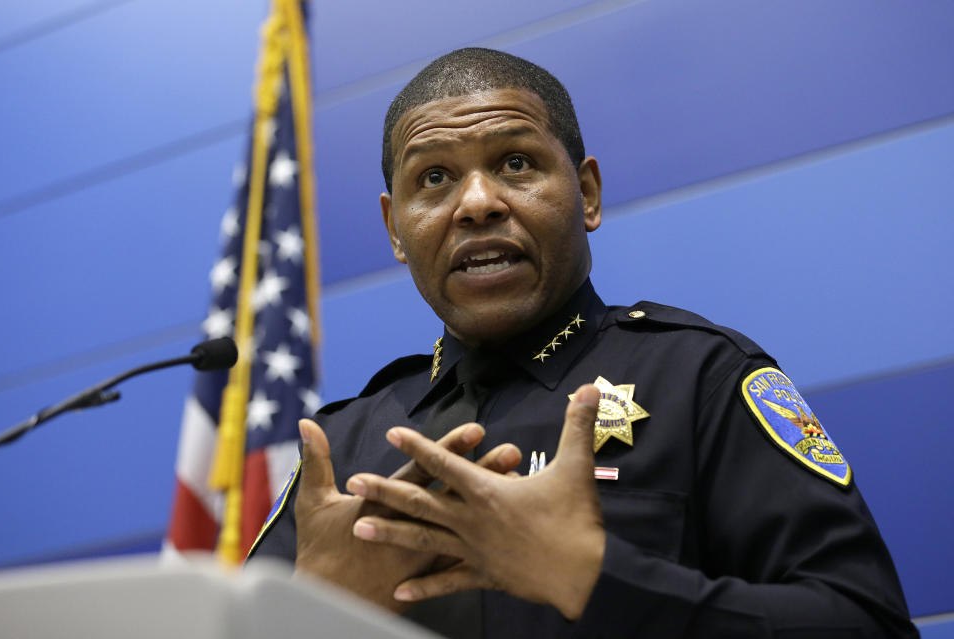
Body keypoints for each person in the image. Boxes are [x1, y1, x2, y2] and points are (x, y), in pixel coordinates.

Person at [248, 48, 919, 638]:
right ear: (396, 229)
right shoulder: (338, 449)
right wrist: (302, 618)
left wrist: (595, 578)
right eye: (434, 178)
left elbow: (868, 623)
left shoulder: (699, 377)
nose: (476, 202)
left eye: (515, 163)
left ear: (586, 193)